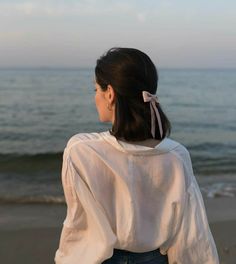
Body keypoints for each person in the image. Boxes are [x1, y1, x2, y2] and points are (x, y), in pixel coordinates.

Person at [54, 48, 219, 264]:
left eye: (96, 89)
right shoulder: (176, 155)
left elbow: (78, 226)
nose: (95, 96)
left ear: (110, 93)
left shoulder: (81, 150)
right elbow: (190, 233)